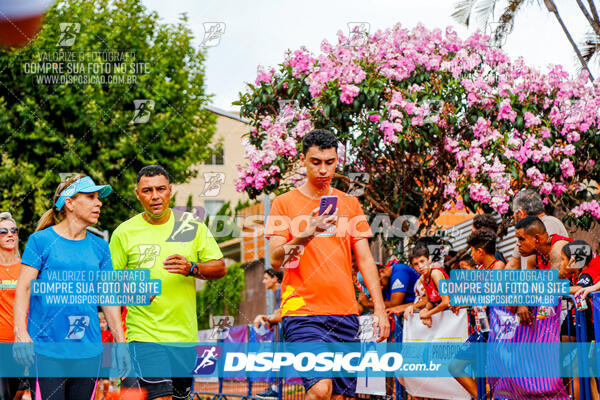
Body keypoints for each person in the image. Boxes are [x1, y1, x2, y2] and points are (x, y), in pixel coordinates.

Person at [265, 129, 389, 400]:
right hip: (302, 312)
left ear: (337, 161)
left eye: (329, 162)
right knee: (321, 389)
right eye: (315, 162)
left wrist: (380, 309)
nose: (323, 169)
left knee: (340, 396)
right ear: (303, 160)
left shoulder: (350, 203)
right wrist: (307, 232)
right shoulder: (283, 203)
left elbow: (365, 259)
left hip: (345, 312)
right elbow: (276, 259)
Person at [109, 165, 226, 400]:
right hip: (144, 335)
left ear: (170, 191)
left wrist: (192, 268)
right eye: (148, 190)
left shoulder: (191, 226)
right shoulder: (124, 232)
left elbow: (220, 267)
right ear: (137, 194)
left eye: (160, 189)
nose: (155, 196)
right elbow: (109, 286)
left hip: (184, 337)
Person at [13, 174, 128, 400]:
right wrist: (20, 332)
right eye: (91, 197)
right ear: (70, 203)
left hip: (89, 350)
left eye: (99, 198)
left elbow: (108, 297)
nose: (99, 203)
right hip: (46, 349)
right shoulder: (40, 241)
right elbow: (24, 288)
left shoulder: (100, 247)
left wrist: (120, 342)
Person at [486, 216, 569, 399]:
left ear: (537, 239)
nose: (517, 245)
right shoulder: (534, 253)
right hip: (563, 312)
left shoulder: (558, 249)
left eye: (521, 239)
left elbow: (551, 286)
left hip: (584, 311)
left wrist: (522, 300)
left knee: (574, 370)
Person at [449, 229, 503, 398]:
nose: (471, 255)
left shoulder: (499, 266)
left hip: (496, 333)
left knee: (494, 377)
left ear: (480, 251)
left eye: (472, 251)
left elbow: (492, 294)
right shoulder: (481, 270)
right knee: (455, 366)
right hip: (480, 332)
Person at [505, 190, 568, 270]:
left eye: (514, 213)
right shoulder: (525, 232)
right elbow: (513, 265)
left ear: (521, 213)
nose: (513, 217)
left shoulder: (549, 223)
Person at [0, 212, 26, 400]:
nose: (10, 234)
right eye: (3, 231)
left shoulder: (27, 268)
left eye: (13, 230)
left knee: (16, 394)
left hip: (22, 346)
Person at [253, 268, 283, 399]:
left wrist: (264, 317)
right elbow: (277, 315)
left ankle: (276, 389)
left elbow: (280, 315)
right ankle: (275, 389)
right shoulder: (279, 292)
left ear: (275, 279)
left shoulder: (281, 291)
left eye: (266, 278)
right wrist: (270, 319)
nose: (263, 281)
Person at [403, 246, 450, 328]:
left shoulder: (435, 273)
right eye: (416, 264)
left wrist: (427, 314)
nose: (420, 266)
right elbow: (430, 301)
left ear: (429, 259)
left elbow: (446, 302)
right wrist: (425, 309)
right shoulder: (422, 278)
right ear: (412, 266)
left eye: (422, 261)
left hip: (457, 312)